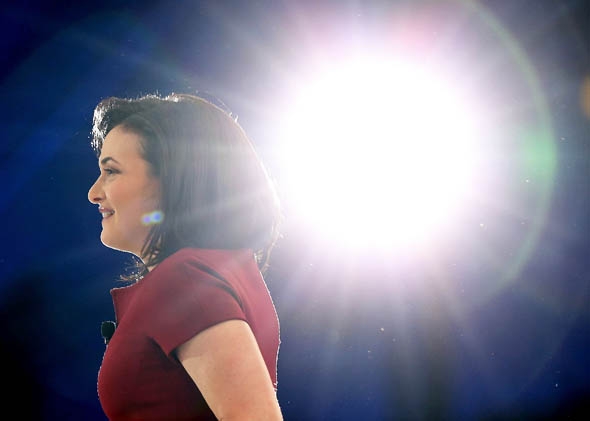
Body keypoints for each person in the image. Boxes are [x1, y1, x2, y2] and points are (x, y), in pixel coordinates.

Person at [87, 93, 283, 420]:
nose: (94, 192)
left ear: (173, 179)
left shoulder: (185, 280)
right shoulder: (214, 271)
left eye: (112, 171)